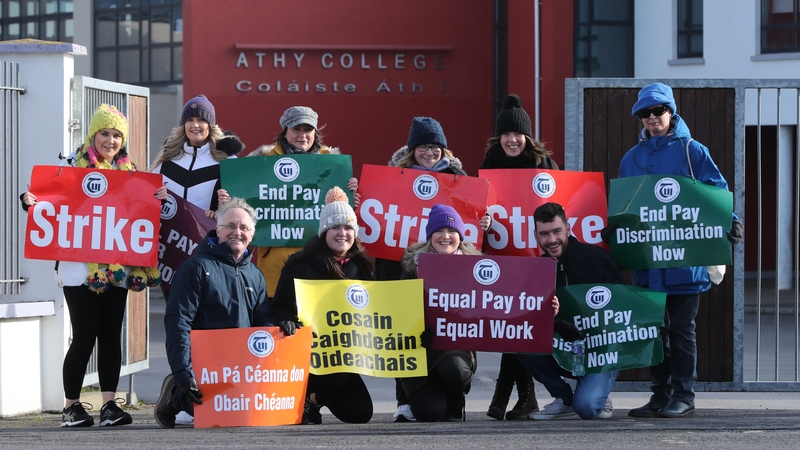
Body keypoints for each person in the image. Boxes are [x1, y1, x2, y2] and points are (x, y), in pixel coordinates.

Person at [20, 104, 164, 427]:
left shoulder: (130, 173)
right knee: (85, 334)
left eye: (116, 135)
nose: (110, 140)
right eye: (104, 133)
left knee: (111, 334)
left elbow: (141, 209)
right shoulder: (70, 165)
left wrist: (158, 198)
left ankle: (109, 406)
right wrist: (29, 201)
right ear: (92, 135)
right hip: (76, 268)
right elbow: (46, 200)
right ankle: (71, 407)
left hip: (116, 266)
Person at [620, 83, 743, 419]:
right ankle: (660, 395)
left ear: (670, 112)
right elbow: (625, 205)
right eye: (644, 113)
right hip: (647, 260)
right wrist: (616, 228)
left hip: (684, 260)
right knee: (653, 329)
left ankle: (684, 397)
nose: (651, 118)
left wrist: (731, 221)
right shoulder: (631, 159)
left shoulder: (692, 150)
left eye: (657, 110)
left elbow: (714, 191)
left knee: (681, 329)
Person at [154, 197, 272, 428]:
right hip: (206, 370)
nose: (237, 232)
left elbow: (263, 321)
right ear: (217, 229)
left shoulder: (256, 274)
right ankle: (175, 394)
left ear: (252, 234)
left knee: (241, 417)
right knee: (207, 413)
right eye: (230, 226)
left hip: (241, 369)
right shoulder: (195, 268)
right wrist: (184, 375)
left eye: (244, 227)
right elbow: (178, 323)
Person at [481, 94, 558, 421]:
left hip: (536, 259)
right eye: (507, 134)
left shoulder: (546, 167)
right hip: (504, 258)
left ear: (527, 136)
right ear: (499, 137)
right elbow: (480, 209)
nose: (512, 140)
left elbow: (559, 211)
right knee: (514, 326)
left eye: (518, 133)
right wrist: (481, 223)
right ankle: (525, 399)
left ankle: (505, 396)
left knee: (521, 325)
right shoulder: (489, 166)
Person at [271, 186, 374, 425]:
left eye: (348, 227)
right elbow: (279, 307)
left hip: (346, 356)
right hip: (308, 355)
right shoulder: (299, 264)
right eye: (335, 227)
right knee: (337, 376)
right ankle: (299, 395)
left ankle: (313, 400)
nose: (342, 233)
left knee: (360, 414)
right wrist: (287, 321)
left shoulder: (361, 266)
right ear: (324, 231)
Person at [517, 202, 627, 420]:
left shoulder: (596, 257)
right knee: (518, 337)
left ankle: (598, 394)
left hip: (600, 349)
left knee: (587, 409)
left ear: (568, 229)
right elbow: (527, 315)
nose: (552, 240)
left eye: (557, 231)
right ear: (536, 236)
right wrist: (555, 323)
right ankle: (564, 399)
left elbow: (624, 303)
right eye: (544, 234)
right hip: (562, 347)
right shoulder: (536, 270)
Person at [247, 106, 359, 301]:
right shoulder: (261, 162)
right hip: (275, 265)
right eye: (296, 129)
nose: (302, 135)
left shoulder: (333, 164)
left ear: (315, 132)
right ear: (285, 131)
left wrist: (352, 199)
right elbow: (245, 204)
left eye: (307, 130)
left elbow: (343, 217)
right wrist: (228, 200)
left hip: (321, 266)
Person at [150, 94, 245, 311]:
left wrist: (224, 209)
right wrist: (157, 197)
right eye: (190, 120)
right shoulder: (167, 160)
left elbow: (241, 210)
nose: (195, 125)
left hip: (208, 253)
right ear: (183, 124)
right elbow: (148, 201)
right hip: (171, 252)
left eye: (202, 120)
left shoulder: (227, 161)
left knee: (205, 319)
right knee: (175, 317)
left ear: (211, 125)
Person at [397, 204, 481, 422]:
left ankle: (455, 397)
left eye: (452, 231)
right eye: (439, 231)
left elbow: (501, 304)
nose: (445, 236)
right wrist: (415, 329)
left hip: (454, 351)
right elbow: (399, 312)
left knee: (454, 370)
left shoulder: (476, 268)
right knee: (429, 413)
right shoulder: (411, 267)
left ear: (460, 236)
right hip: (419, 353)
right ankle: (429, 396)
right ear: (429, 236)